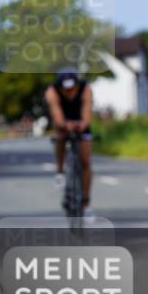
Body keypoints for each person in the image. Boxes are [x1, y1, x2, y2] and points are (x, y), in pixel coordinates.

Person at [44, 67, 94, 215]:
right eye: (66, 89)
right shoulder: (52, 92)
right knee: (60, 136)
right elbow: (57, 114)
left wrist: (82, 125)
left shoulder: (85, 88)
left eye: (72, 88)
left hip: (79, 119)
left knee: (86, 161)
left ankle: (85, 201)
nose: (69, 92)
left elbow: (86, 113)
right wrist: (65, 125)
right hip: (63, 119)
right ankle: (60, 171)